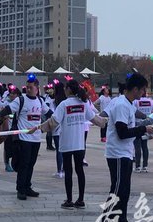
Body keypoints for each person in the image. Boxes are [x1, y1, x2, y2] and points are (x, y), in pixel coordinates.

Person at [97, 72, 153, 222]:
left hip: (125, 154)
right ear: (135, 89)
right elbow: (122, 133)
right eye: (143, 90)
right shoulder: (122, 105)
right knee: (116, 193)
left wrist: (144, 131)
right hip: (117, 155)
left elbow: (129, 130)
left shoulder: (129, 104)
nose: (144, 93)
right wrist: (143, 129)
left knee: (124, 193)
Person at [38, 79, 105, 209]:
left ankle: (69, 200)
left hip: (67, 143)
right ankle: (81, 200)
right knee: (80, 171)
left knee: (68, 171)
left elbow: (53, 122)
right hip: (79, 143)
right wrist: (105, 122)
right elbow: (95, 119)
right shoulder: (83, 104)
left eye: (65, 88)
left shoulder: (64, 104)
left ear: (68, 89)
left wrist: (39, 128)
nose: (64, 90)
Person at [0, 74, 48, 200]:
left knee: (31, 164)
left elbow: (49, 113)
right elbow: (8, 109)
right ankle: (20, 189)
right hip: (24, 139)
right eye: (27, 87)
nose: (28, 89)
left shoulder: (40, 101)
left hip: (36, 138)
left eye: (31, 87)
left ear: (37, 88)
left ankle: (27, 187)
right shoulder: (21, 100)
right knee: (23, 164)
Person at [133, 90, 153, 173]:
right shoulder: (150, 101)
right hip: (147, 125)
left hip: (137, 125)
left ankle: (137, 166)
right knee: (145, 146)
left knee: (137, 146)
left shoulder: (136, 101)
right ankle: (145, 166)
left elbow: (132, 111)